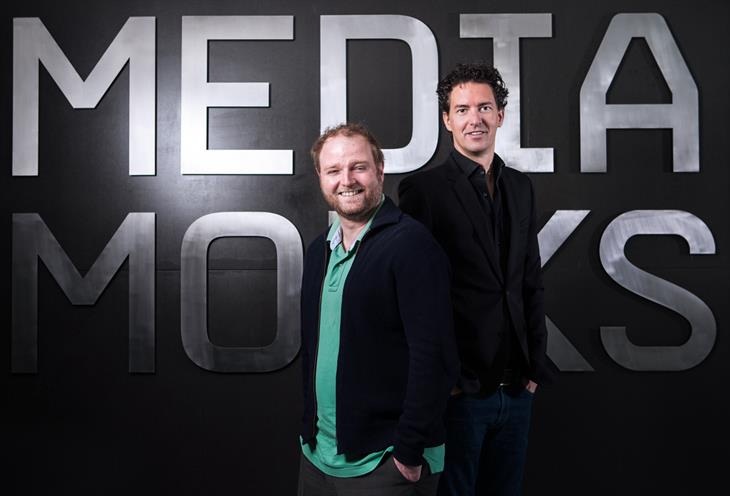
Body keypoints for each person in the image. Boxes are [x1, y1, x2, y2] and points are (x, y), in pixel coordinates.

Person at [398, 63, 553, 495]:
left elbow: (529, 279)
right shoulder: (423, 191)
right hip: (459, 393)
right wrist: (445, 381)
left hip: (517, 388)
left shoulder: (520, 187)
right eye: (462, 109)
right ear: (447, 120)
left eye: (484, 107)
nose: (475, 119)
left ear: (500, 115)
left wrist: (535, 364)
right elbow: (415, 296)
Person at [299, 122, 459, 495]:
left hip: (385, 462)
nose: (347, 180)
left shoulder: (411, 245)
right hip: (318, 458)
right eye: (334, 170)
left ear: (380, 171)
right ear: (321, 178)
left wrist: (408, 451)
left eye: (359, 167)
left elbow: (436, 358)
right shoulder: (319, 250)